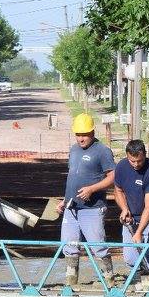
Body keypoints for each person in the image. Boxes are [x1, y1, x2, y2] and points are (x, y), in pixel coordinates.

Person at [58, 113, 116, 286]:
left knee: (97, 246)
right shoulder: (74, 149)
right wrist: (64, 200)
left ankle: (110, 282)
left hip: (92, 208)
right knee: (69, 246)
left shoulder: (102, 151)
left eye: (84, 135)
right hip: (71, 207)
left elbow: (112, 177)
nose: (81, 138)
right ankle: (71, 283)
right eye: (78, 134)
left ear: (92, 132)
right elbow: (72, 176)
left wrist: (92, 189)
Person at [112, 139, 149, 289]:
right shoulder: (122, 166)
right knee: (130, 257)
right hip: (131, 218)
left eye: (139, 161)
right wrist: (124, 208)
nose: (135, 164)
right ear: (127, 156)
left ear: (145, 155)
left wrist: (139, 232)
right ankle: (137, 283)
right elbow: (118, 190)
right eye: (132, 161)